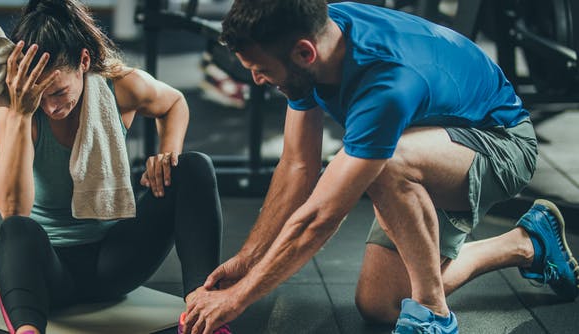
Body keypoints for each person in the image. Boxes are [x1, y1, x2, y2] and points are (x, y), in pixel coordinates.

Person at [180, 1, 579, 334]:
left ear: (305, 53)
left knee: (385, 165)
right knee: (382, 306)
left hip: (502, 143)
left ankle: (435, 315)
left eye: (260, 68)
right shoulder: (313, 38)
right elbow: (299, 165)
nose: (255, 79)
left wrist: (240, 296)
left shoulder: (386, 84)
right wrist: (249, 258)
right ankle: (527, 244)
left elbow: (320, 217)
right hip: (428, 142)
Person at [0, 1, 231, 333]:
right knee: (16, 230)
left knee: (194, 167)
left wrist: (166, 154)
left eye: (58, 92)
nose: (51, 107)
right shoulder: (15, 108)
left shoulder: (120, 86)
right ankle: (28, 329)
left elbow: (174, 103)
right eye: (41, 96)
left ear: (84, 61)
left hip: (116, 262)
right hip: (48, 275)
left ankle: (204, 313)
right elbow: (13, 209)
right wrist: (22, 113)